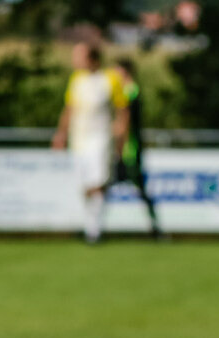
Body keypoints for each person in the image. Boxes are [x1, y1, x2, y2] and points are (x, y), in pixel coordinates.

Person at [52, 42, 130, 244]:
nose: (74, 61)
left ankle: (94, 230)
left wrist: (121, 133)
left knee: (98, 181)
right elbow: (69, 108)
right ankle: (89, 224)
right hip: (79, 139)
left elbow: (122, 110)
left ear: (92, 59)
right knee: (83, 185)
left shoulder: (110, 79)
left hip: (101, 137)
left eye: (79, 56)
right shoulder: (76, 80)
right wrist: (61, 134)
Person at [113, 59, 160, 237]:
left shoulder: (129, 91)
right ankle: (93, 227)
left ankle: (155, 228)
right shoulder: (129, 91)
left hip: (130, 149)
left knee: (136, 186)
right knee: (107, 187)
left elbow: (125, 122)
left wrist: (119, 143)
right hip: (130, 147)